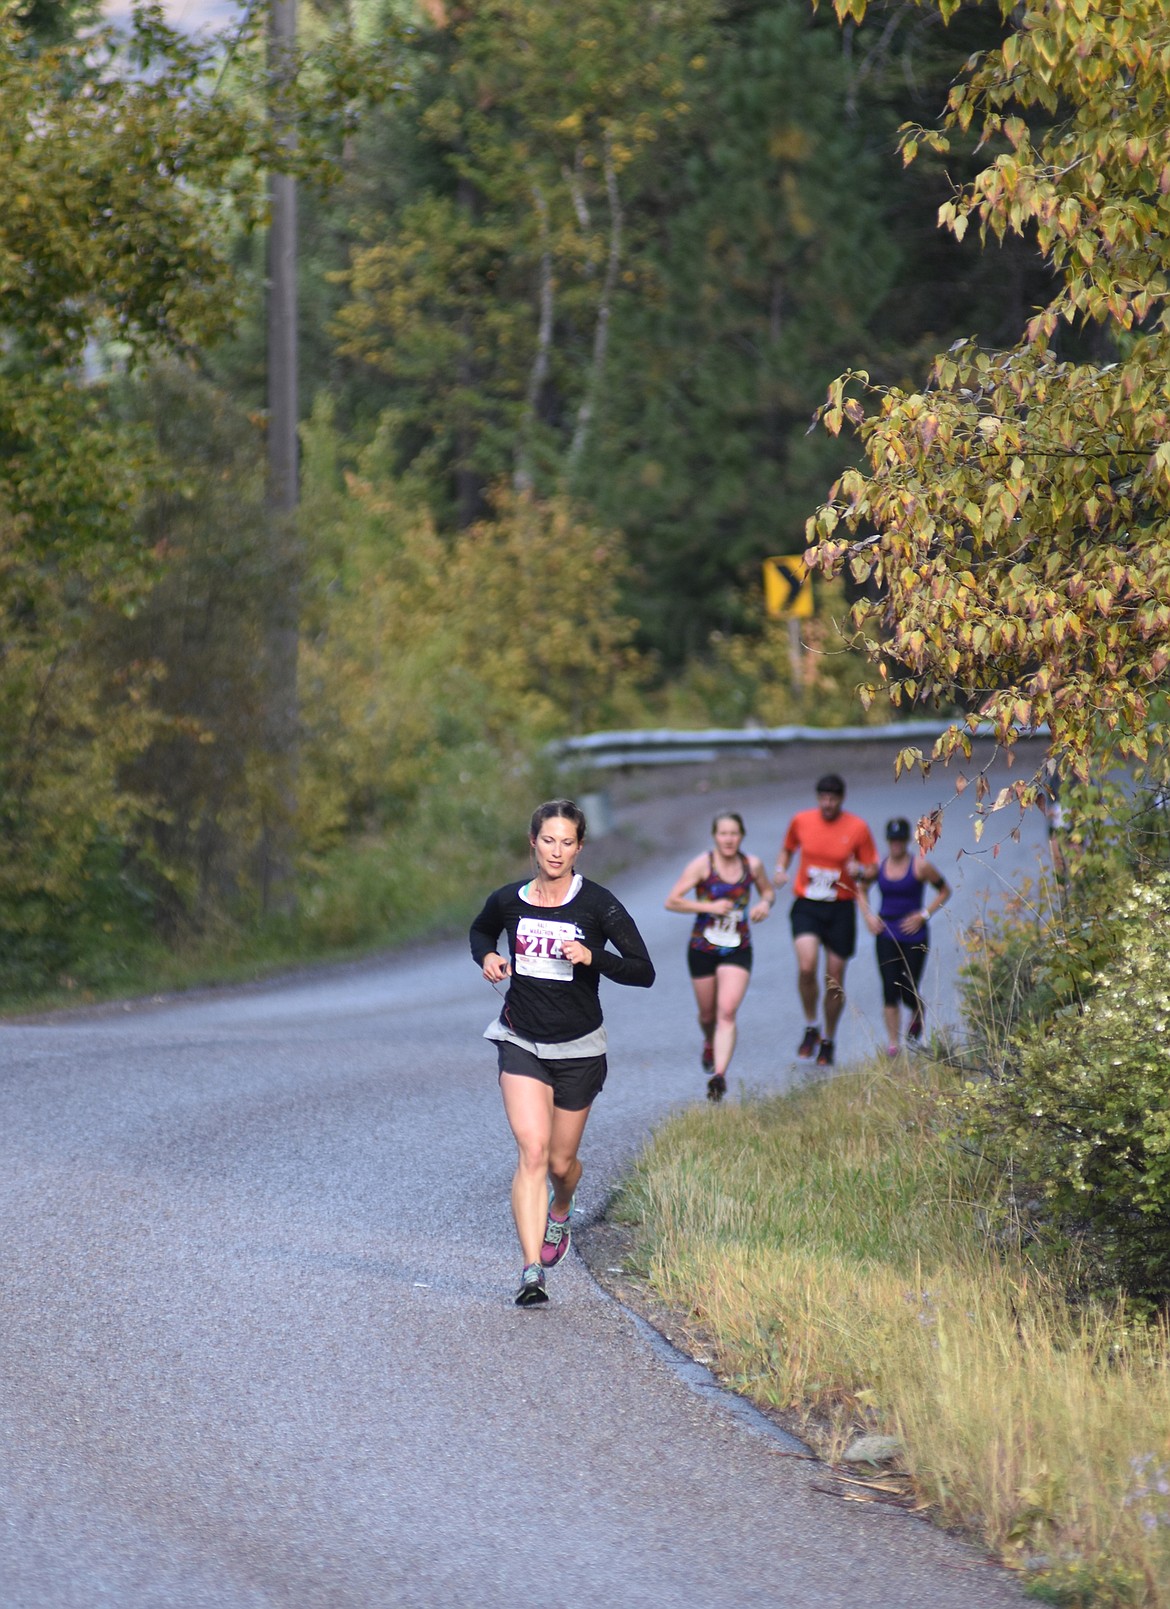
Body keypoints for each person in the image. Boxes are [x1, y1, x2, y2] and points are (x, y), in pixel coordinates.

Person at [469, 799, 655, 1307]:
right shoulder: (510, 900)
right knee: (531, 1151)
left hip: (579, 1049)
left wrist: (593, 956)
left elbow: (643, 969)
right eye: (547, 840)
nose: (556, 850)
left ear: (579, 847)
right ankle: (532, 1271)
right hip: (521, 1038)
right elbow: (482, 928)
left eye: (566, 842)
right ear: (533, 842)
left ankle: (563, 1207)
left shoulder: (598, 904)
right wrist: (487, 956)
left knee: (560, 1161)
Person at [664, 811, 775, 1102]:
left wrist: (764, 904)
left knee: (726, 1011)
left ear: (742, 836)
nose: (728, 839)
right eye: (723, 833)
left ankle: (719, 1076)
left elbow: (768, 892)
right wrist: (709, 907)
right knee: (707, 1014)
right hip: (702, 947)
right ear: (715, 836)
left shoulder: (752, 865)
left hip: (738, 947)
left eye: (734, 833)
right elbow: (672, 901)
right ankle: (709, 1042)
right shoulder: (703, 865)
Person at [772, 773, 878, 1069]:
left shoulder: (857, 828)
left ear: (841, 799)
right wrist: (781, 869)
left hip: (840, 909)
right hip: (807, 905)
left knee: (834, 980)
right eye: (823, 798)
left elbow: (872, 870)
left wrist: (860, 871)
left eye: (833, 799)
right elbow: (788, 848)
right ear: (818, 798)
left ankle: (829, 1039)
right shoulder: (802, 821)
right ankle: (811, 1025)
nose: (827, 804)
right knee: (807, 967)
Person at [857, 817, 951, 1055]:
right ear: (888, 841)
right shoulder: (878, 867)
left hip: (914, 933)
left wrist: (924, 914)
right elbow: (861, 889)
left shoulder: (920, 866)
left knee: (908, 984)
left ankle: (917, 1011)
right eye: (892, 840)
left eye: (900, 840)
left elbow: (944, 890)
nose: (896, 844)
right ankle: (893, 1043)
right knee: (889, 987)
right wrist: (868, 916)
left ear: (907, 840)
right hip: (886, 933)